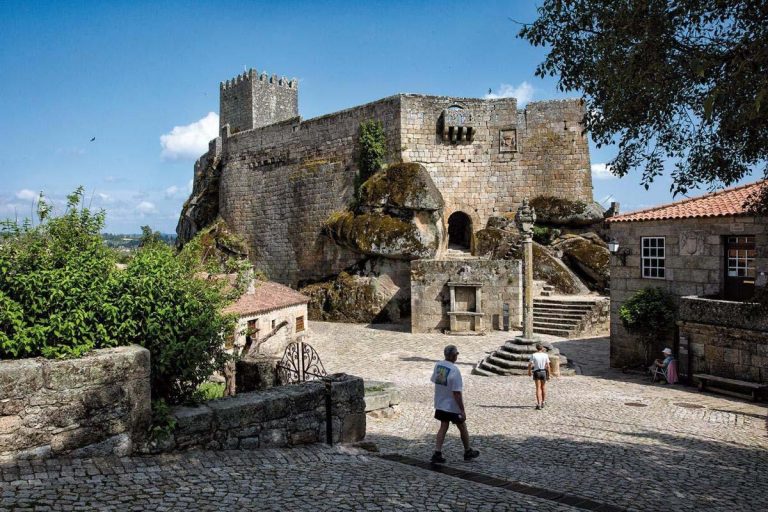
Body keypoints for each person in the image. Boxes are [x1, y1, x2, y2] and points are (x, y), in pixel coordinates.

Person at [430, 345, 480, 464]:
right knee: (462, 426)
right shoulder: (454, 370)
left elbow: (435, 380)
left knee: (443, 426)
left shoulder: (438, 365)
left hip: (440, 403)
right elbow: (457, 392)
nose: (457, 356)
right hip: (451, 406)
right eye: (456, 354)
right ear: (453, 356)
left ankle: (437, 452)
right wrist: (462, 410)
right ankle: (467, 451)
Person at [527, 343, 551, 410]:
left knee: (538, 388)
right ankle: (543, 402)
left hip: (536, 372)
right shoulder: (545, 355)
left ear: (536, 348)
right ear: (542, 348)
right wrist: (549, 375)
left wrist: (529, 371)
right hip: (543, 372)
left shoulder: (534, 355)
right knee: (543, 387)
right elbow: (548, 366)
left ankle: (539, 404)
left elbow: (530, 364)